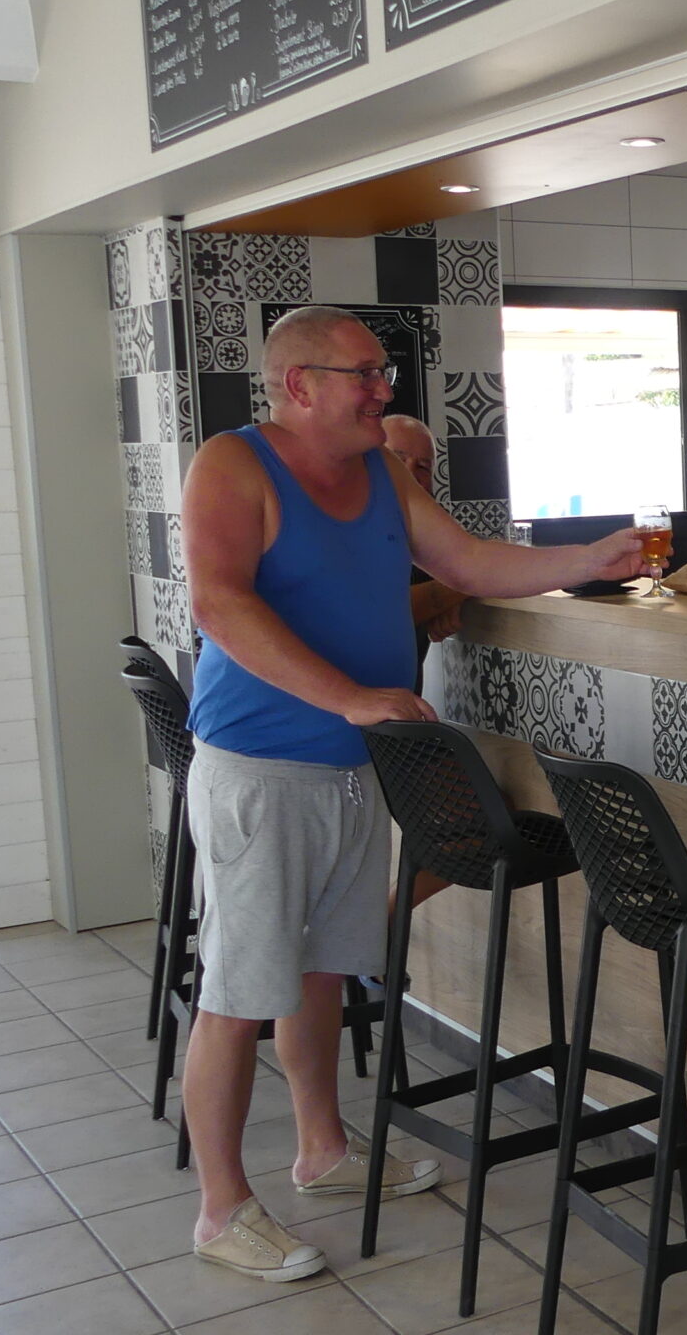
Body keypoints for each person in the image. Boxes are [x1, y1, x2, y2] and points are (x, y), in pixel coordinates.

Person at [179, 305, 642, 1281]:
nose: (383, 388)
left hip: (355, 766)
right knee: (239, 989)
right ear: (299, 384)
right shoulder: (233, 464)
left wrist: (583, 561)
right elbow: (219, 602)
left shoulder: (382, 472)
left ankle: (323, 1149)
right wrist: (349, 696)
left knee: (320, 970)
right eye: (364, 373)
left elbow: (465, 561)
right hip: (260, 769)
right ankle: (221, 1209)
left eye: (382, 371)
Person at [379, 414, 470, 655]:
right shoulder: (341, 526)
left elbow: (468, 562)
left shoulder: (425, 536)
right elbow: (380, 611)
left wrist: (455, 601)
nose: (409, 474)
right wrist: (459, 588)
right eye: (396, 461)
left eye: (422, 467)